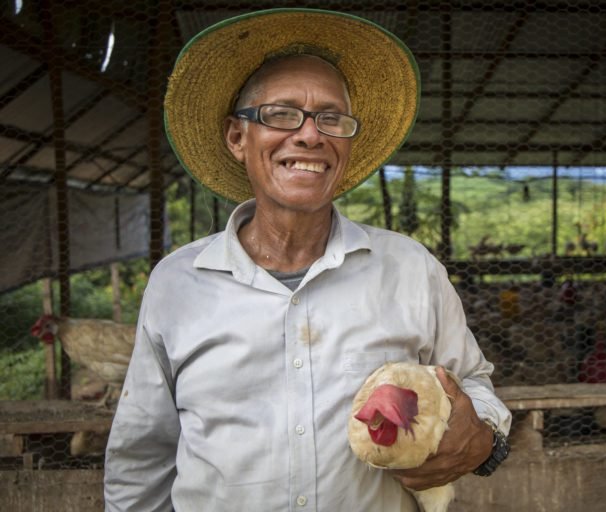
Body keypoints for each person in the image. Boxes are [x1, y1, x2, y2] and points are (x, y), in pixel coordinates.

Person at [104, 8, 512, 511]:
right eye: (280, 114)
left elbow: (472, 382)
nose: (310, 135)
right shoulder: (177, 284)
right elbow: (142, 457)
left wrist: (485, 438)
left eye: (331, 118)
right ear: (238, 138)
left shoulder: (410, 269)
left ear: (346, 140)